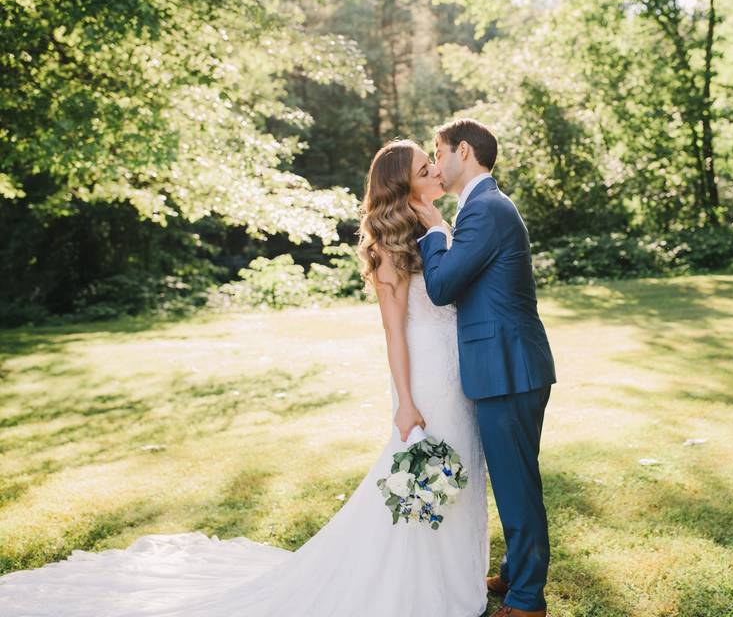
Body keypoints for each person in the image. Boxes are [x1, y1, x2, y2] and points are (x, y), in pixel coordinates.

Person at [0, 139, 490, 617]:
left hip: (454, 372)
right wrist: (405, 400)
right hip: (422, 378)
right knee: (421, 476)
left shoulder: (434, 229)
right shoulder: (389, 246)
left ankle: (456, 577)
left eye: (433, 164)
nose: (435, 171)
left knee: (460, 470)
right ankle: (414, 585)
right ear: (401, 184)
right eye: (424, 167)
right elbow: (393, 332)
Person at [411, 118, 557, 617]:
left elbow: (442, 286)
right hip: (507, 364)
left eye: (439, 150)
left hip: (507, 367)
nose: (435, 161)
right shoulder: (484, 207)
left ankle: (526, 599)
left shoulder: (486, 210)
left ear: (465, 151)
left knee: (517, 485)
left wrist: (433, 232)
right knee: (515, 478)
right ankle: (517, 573)